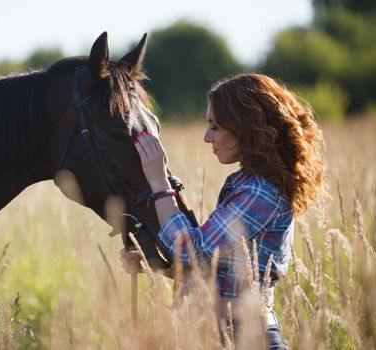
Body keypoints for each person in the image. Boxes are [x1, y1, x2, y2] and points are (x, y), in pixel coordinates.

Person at [120, 73, 326, 349]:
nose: (207, 137)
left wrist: (159, 181)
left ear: (245, 129)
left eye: (215, 127)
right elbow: (208, 268)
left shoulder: (259, 194)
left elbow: (189, 251)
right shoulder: (247, 186)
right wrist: (153, 265)